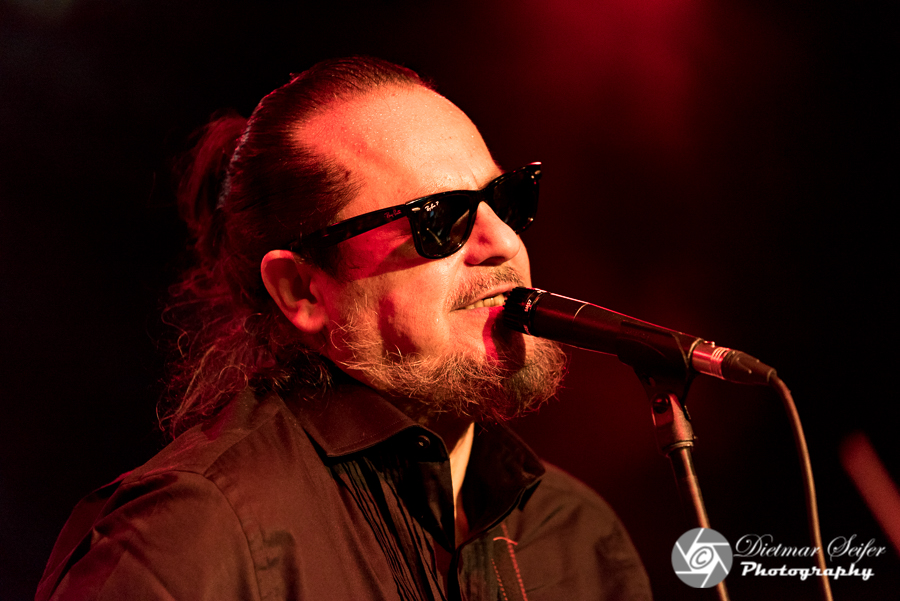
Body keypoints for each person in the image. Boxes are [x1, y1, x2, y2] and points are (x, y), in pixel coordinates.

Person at [36, 57, 652, 601]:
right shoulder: (184, 537)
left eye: (508, 199)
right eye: (440, 219)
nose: (504, 243)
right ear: (302, 290)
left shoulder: (579, 536)